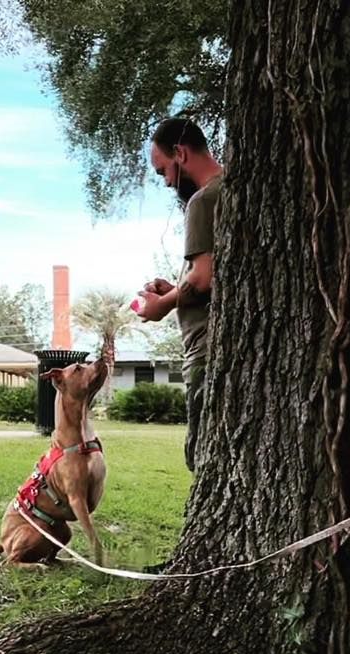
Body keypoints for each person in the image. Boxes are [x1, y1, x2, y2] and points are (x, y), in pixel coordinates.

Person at [137, 118, 223, 472]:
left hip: (204, 353)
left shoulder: (203, 201)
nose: (168, 182)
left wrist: (160, 306)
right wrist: (177, 292)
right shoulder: (231, 189)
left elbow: (202, 279)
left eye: (163, 172)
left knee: (200, 459)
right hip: (221, 346)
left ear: (181, 153)